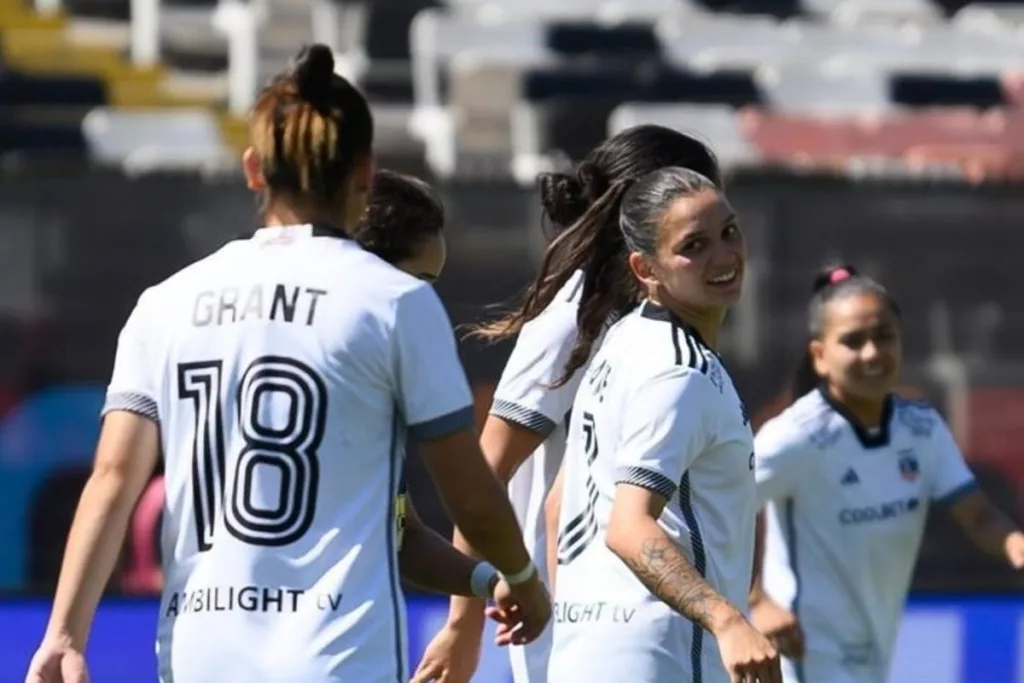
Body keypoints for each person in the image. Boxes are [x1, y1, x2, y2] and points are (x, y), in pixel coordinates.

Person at [25, 44, 549, 683]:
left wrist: (64, 635)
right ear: (364, 171)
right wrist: (521, 576)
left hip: (199, 656)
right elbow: (468, 488)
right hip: (336, 655)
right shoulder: (394, 302)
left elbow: (111, 478)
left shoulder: (163, 303)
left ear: (253, 169)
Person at [414, 126, 723, 683]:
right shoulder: (574, 319)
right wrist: (464, 624)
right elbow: (487, 473)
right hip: (577, 631)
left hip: (654, 620)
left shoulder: (663, 328)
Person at [545, 167, 780, 683]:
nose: (723, 256)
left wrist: (581, 626)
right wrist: (727, 620)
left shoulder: (622, 344)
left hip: (581, 656)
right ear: (645, 268)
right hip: (661, 656)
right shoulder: (679, 370)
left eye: (729, 231)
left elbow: (558, 505)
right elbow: (629, 527)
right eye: (693, 246)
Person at [750, 265, 1024, 683]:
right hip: (802, 653)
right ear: (820, 357)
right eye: (853, 342)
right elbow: (721, 510)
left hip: (876, 647)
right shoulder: (795, 436)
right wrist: (758, 600)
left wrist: (1014, 543)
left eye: (883, 337)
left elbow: (978, 515)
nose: (872, 353)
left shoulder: (922, 428)